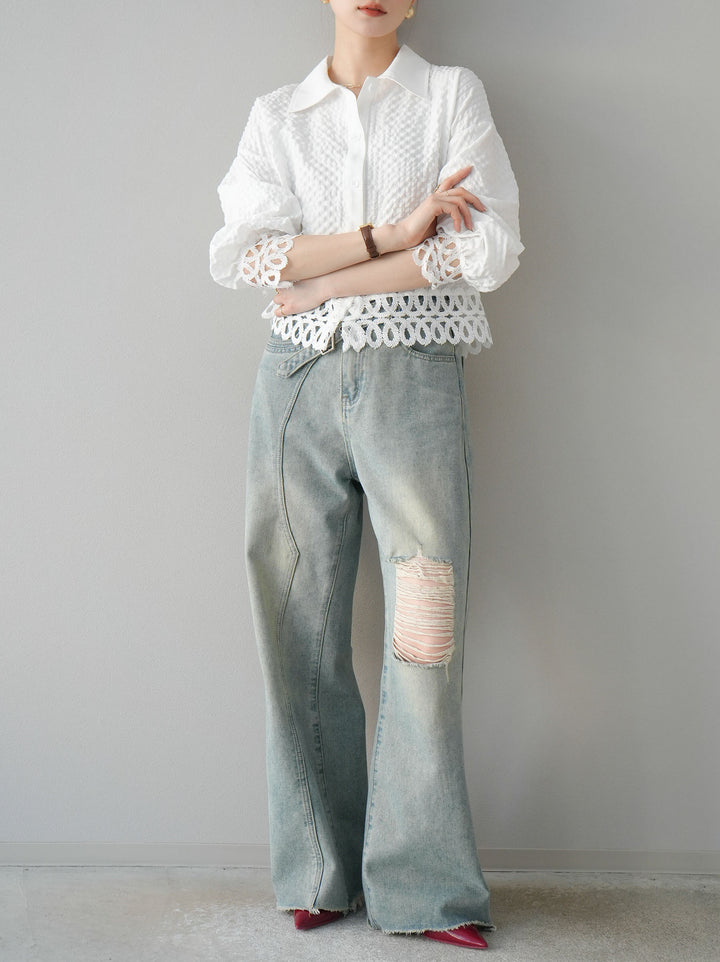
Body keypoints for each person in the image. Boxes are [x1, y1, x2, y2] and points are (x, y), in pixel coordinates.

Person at [209, 0, 522, 950]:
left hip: (413, 382)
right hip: (295, 384)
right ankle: (318, 869)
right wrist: (394, 234)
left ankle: (426, 888)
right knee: (295, 624)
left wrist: (324, 277)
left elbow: (485, 252)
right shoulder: (278, 115)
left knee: (425, 631)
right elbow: (242, 256)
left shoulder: (450, 96)